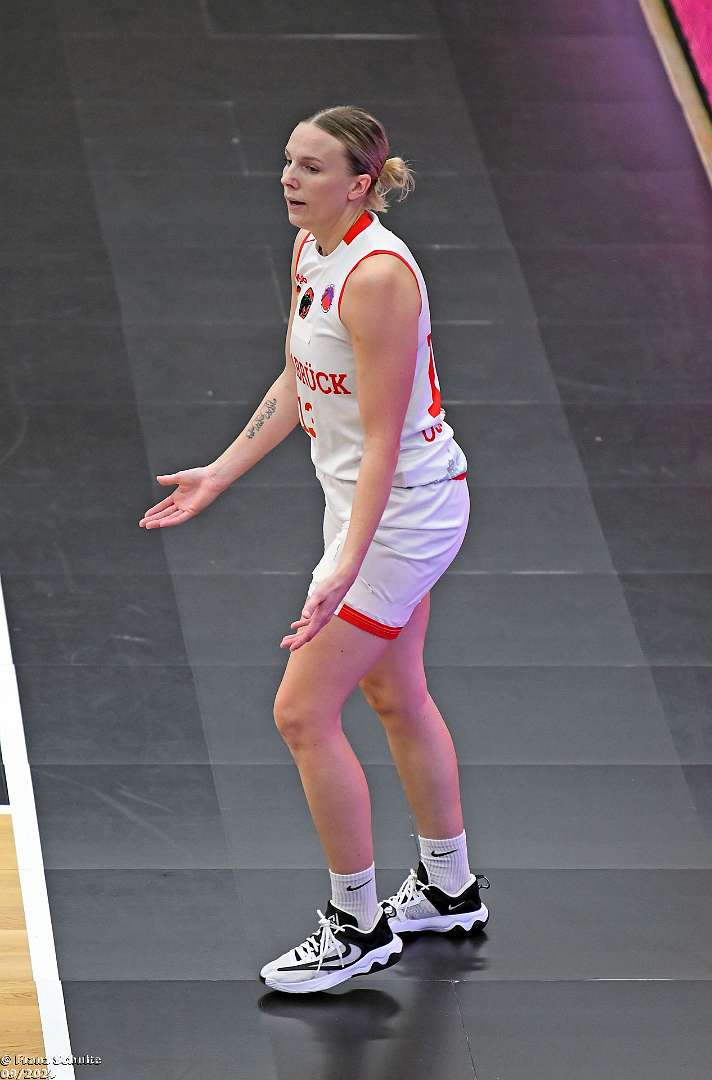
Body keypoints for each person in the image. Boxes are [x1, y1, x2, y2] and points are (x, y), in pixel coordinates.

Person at [138, 104, 490, 995]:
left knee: (300, 712)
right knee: (394, 691)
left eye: (312, 167)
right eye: (288, 162)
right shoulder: (313, 249)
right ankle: (448, 887)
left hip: (403, 515)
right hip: (370, 508)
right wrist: (220, 472)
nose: (289, 179)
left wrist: (343, 563)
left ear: (361, 184)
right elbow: (301, 374)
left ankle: (357, 924)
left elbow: (381, 440)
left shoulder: (378, 278)